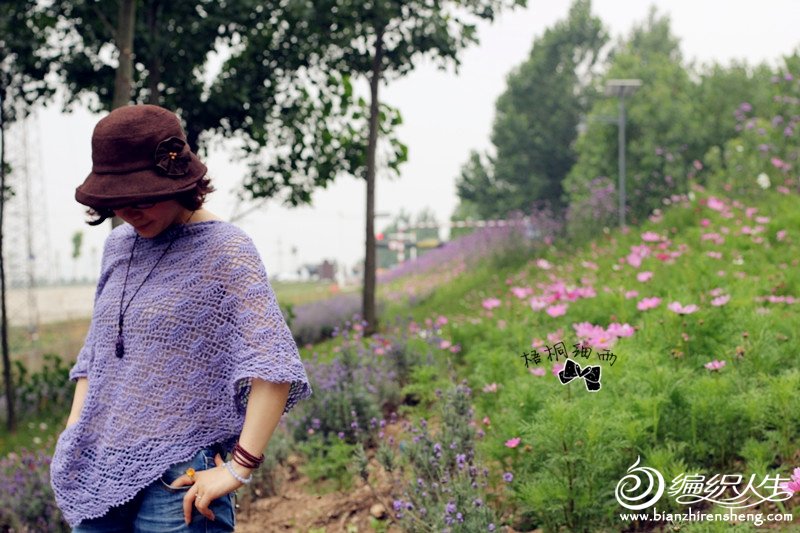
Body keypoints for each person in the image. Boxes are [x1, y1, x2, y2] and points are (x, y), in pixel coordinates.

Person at [50, 104, 313, 532]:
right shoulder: (118, 247)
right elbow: (96, 354)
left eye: (144, 197)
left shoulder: (226, 250)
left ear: (181, 179)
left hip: (180, 479)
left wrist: (238, 468)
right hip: (101, 465)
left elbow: (273, 365)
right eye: (120, 201)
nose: (132, 212)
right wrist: (72, 434)